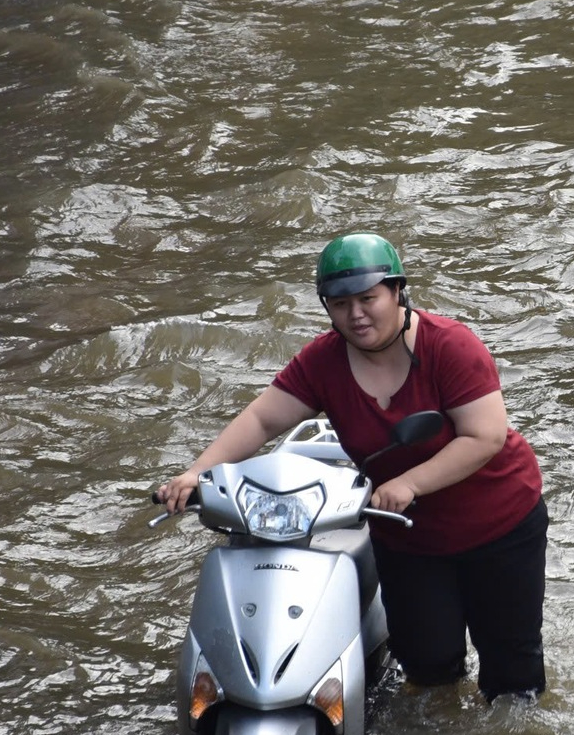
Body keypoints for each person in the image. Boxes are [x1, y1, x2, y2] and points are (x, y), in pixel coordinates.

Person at [157, 233, 546, 702]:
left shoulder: (451, 347)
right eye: (340, 304)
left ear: (398, 292)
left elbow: (485, 437)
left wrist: (410, 481)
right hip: (407, 534)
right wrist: (196, 473)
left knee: (511, 671)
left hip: (497, 526)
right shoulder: (323, 361)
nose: (356, 315)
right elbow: (262, 417)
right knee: (426, 668)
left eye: (368, 298)